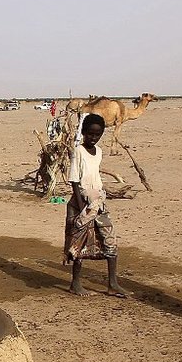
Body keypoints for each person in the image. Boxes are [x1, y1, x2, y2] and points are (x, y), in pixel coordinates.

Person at [64, 113, 128, 297]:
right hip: (81, 202)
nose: (93, 138)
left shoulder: (99, 151)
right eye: (90, 134)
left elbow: (95, 176)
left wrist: (99, 198)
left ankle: (112, 283)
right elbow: (74, 180)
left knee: (110, 240)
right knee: (79, 244)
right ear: (83, 132)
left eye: (97, 134)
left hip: (97, 202)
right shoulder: (78, 151)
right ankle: (75, 284)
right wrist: (81, 205)